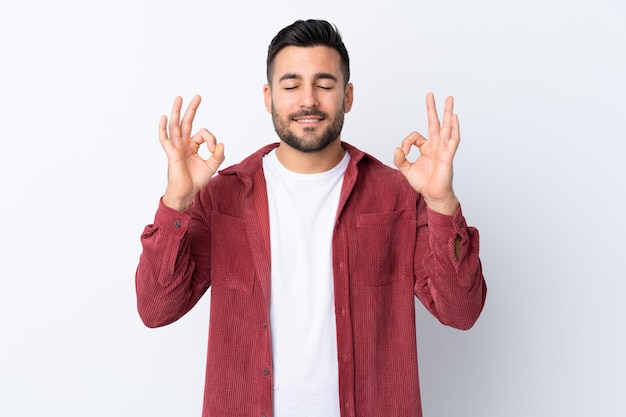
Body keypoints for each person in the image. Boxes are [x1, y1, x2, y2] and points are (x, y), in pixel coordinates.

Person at [136, 19, 487, 417]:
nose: (308, 101)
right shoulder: (223, 197)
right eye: (291, 86)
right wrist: (177, 200)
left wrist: (441, 203)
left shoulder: (398, 196)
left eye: (324, 85)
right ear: (268, 97)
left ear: (347, 96)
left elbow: (461, 312)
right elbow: (156, 308)